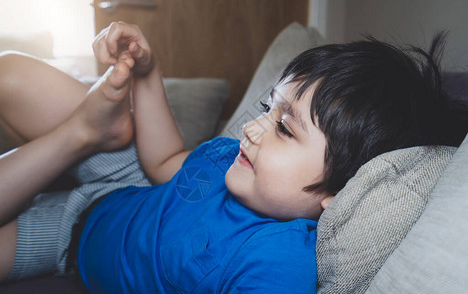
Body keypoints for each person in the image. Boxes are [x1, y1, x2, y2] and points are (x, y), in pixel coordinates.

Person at [0, 21, 466, 293]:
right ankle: (100, 132)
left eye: (284, 128)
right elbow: (165, 163)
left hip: (68, 238)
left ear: (338, 192)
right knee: (10, 70)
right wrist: (148, 72)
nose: (253, 126)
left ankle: (79, 135)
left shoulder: (274, 264)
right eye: (269, 108)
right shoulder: (233, 158)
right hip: (132, 181)